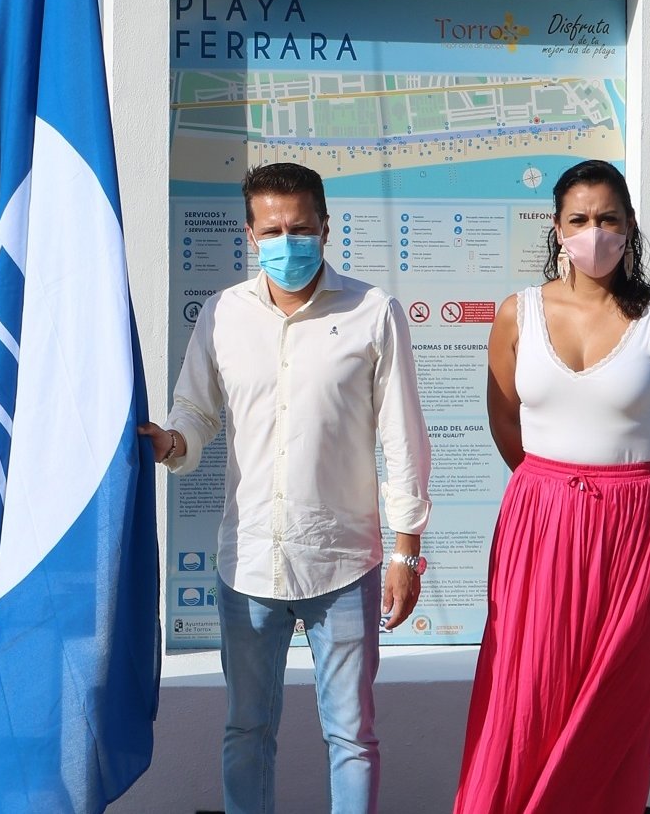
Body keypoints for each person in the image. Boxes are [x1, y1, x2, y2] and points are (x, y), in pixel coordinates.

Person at [139, 162, 432, 814]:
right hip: (247, 565)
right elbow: (197, 412)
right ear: (250, 233)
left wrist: (406, 548)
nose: (287, 241)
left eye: (301, 228)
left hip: (343, 561)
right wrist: (171, 442)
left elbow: (401, 436)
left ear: (326, 228)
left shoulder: (372, 312)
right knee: (246, 728)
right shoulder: (222, 315)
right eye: (273, 229)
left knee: (351, 734)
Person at [452, 160, 650, 813]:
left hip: (637, 535)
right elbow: (504, 419)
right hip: (538, 526)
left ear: (628, 229)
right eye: (581, 219)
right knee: (526, 694)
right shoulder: (518, 314)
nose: (595, 233)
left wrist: (642, 502)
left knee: (612, 705)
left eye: (609, 220)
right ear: (557, 227)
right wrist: (551, 491)